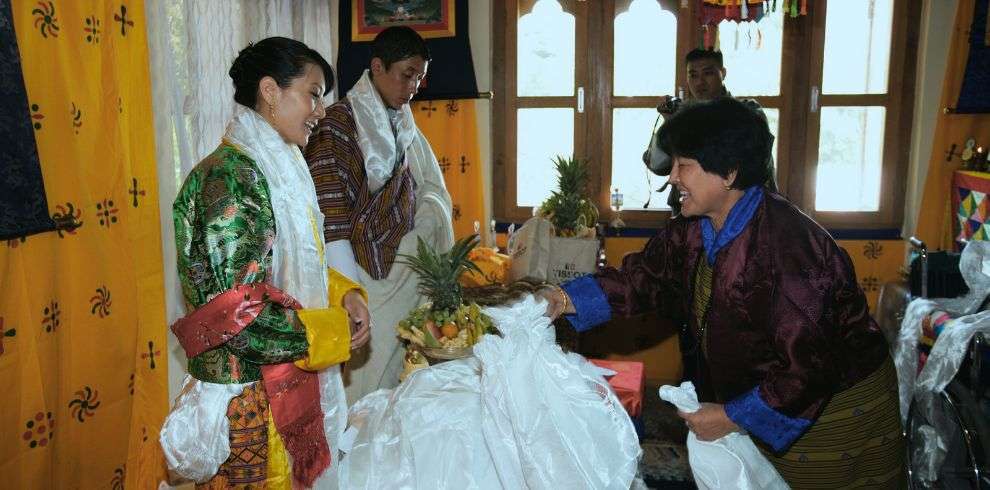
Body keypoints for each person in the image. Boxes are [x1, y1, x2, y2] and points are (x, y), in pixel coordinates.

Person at [544, 98, 906, 488]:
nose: (673, 179)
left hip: (832, 409)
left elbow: (809, 365)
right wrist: (561, 300)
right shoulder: (693, 226)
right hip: (765, 392)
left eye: (686, 166)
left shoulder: (790, 249)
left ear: (730, 173)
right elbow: (643, 277)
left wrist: (733, 417)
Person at [159, 37, 370, 489]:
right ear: (271, 91)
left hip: (281, 384)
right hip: (252, 396)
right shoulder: (232, 176)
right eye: (313, 94)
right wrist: (333, 332)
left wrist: (344, 294)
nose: (320, 111)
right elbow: (238, 315)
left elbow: (287, 267)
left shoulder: (279, 167)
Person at [304, 26, 455, 402]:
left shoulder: (402, 120)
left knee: (401, 381)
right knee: (366, 390)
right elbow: (332, 218)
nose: (414, 87)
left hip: (402, 269)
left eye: (420, 78)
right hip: (363, 276)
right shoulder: (336, 124)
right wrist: (350, 292)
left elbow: (420, 185)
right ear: (377, 67)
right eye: (407, 75)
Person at [646, 48, 776, 213]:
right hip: (689, 212)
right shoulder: (683, 117)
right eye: (693, 75)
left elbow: (753, 161)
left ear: (723, 73)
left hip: (744, 211)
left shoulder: (748, 112)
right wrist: (670, 123)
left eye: (708, 73)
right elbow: (656, 164)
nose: (700, 82)